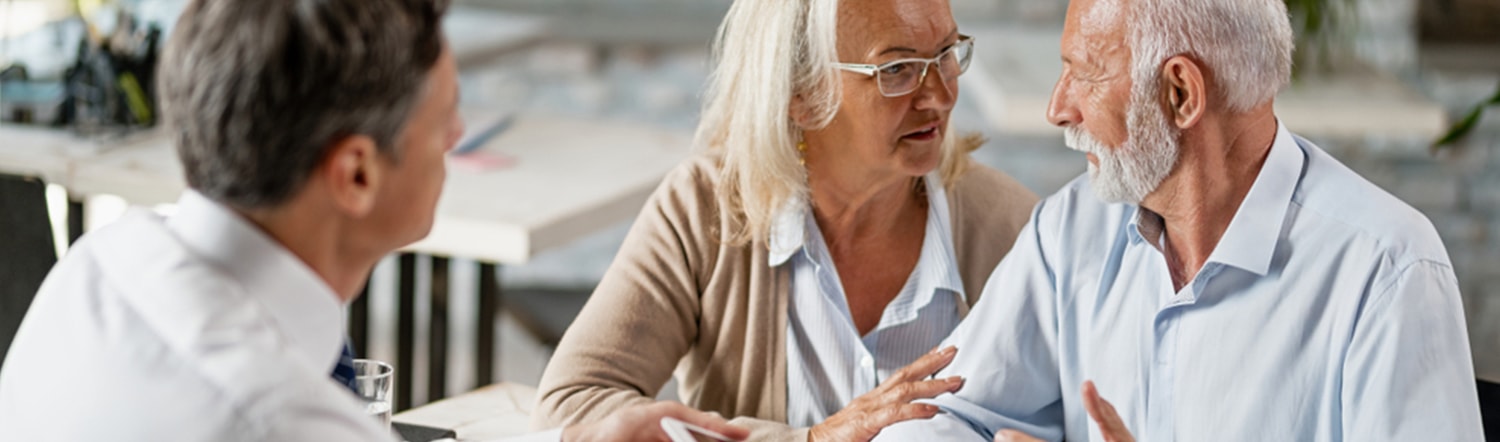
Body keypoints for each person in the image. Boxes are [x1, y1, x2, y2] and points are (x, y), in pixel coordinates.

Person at [0, 0, 747, 441]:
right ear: (357, 172)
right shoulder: (284, 416)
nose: (459, 138)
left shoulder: (96, 267)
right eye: (446, 118)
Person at [872, 0, 1485, 440]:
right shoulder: (1070, 232)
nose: (1059, 107)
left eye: (1085, 73)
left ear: (1181, 95)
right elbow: (936, 417)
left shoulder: (1388, 273)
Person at [532, 0, 1038, 440]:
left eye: (946, 55)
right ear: (800, 92)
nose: (941, 95)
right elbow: (572, 402)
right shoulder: (705, 210)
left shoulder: (1011, 227)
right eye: (897, 69)